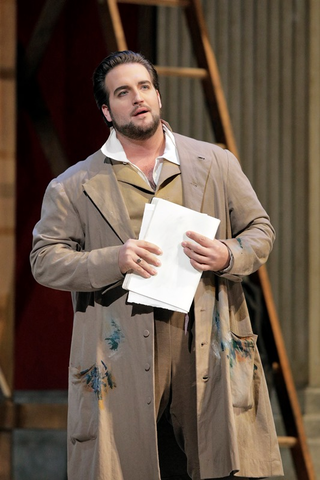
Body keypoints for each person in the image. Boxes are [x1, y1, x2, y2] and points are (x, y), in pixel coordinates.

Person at [30, 50, 283, 480]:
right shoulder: (74, 184)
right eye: (123, 92)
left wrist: (227, 254)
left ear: (159, 97)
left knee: (214, 465)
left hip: (204, 340)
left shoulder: (214, 161)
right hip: (122, 350)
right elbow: (44, 259)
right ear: (107, 110)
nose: (138, 98)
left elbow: (260, 230)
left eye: (145, 87)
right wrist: (113, 259)